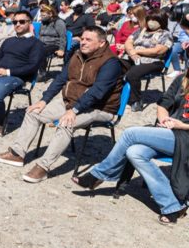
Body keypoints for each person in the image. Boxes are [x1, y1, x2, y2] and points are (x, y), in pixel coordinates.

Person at [72, 16, 189, 224]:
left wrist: (181, 124)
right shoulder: (182, 79)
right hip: (170, 133)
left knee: (131, 133)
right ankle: (172, 205)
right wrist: (163, 119)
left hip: (185, 136)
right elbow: (163, 103)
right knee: (135, 152)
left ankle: (99, 174)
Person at [0, 26, 123, 183]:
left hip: (100, 107)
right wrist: (43, 101)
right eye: (82, 39)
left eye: (88, 40)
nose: (83, 43)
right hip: (71, 100)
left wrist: (74, 110)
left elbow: (97, 92)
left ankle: (43, 167)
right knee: (33, 112)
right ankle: (17, 154)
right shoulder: (77, 55)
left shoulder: (110, 63)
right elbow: (60, 79)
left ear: (101, 43)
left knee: (66, 124)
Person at [122, 13, 172, 112]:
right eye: (149, 19)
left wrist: (137, 51)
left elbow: (158, 51)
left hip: (154, 61)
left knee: (133, 74)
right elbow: (128, 42)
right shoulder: (141, 30)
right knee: (114, 65)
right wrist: (132, 53)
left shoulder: (166, 34)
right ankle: (116, 95)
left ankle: (136, 100)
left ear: (161, 21)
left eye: (155, 20)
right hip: (133, 57)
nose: (151, 22)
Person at [37, 5, 67, 78]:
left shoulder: (58, 22)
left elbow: (63, 37)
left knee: (41, 51)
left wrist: (61, 49)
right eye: (41, 15)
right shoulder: (43, 22)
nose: (42, 17)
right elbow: (40, 35)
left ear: (50, 14)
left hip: (54, 44)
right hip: (43, 43)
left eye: (44, 15)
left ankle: (42, 72)